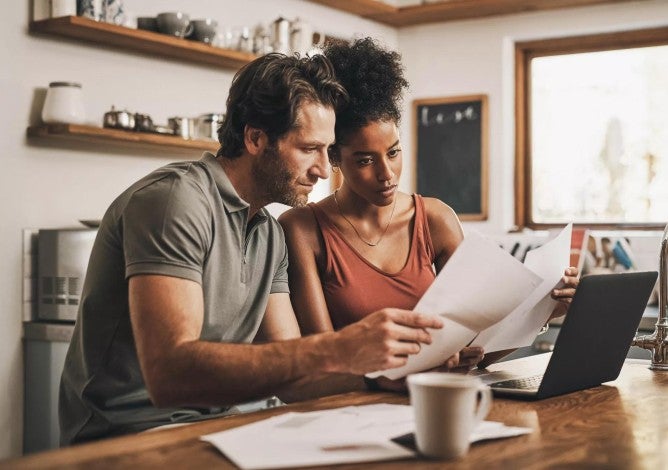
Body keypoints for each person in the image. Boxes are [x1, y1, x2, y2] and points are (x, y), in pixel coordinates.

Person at [59, 52, 446, 445]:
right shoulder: (176, 201)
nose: (324, 170)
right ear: (256, 138)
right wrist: (341, 347)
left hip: (224, 427)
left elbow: (294, 377)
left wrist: (382, 376)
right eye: (309, 148)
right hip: (134, 435)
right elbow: (170, 375)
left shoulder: (268, 233)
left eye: (326, 151)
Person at [278, 38, 579, 375]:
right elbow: (321, 362)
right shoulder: (302, 229)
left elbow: (479, 353)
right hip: (353, 413)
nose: (386, 174)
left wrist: (543, 311)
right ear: (333, 155)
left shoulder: (436, 220)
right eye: (364, 160)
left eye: (393, 152)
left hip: (433, 404)